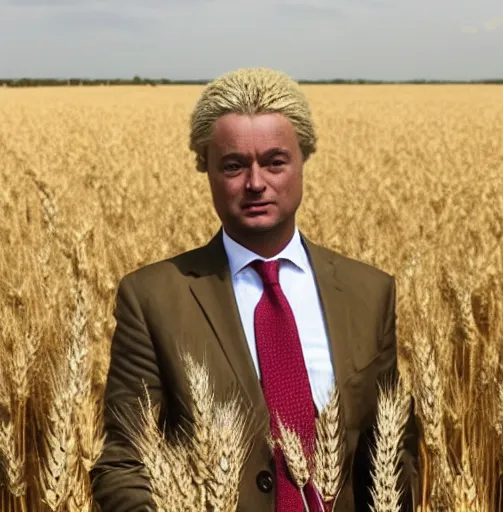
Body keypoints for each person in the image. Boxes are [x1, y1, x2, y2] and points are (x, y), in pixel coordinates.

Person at [90, 67, 419, 511]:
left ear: (304, 159)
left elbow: (391, 450)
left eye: (275, 161)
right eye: (233, 165)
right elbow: (125, 462)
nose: (256, 183)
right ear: (204, 168)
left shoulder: (370, 293)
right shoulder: (152, 299)